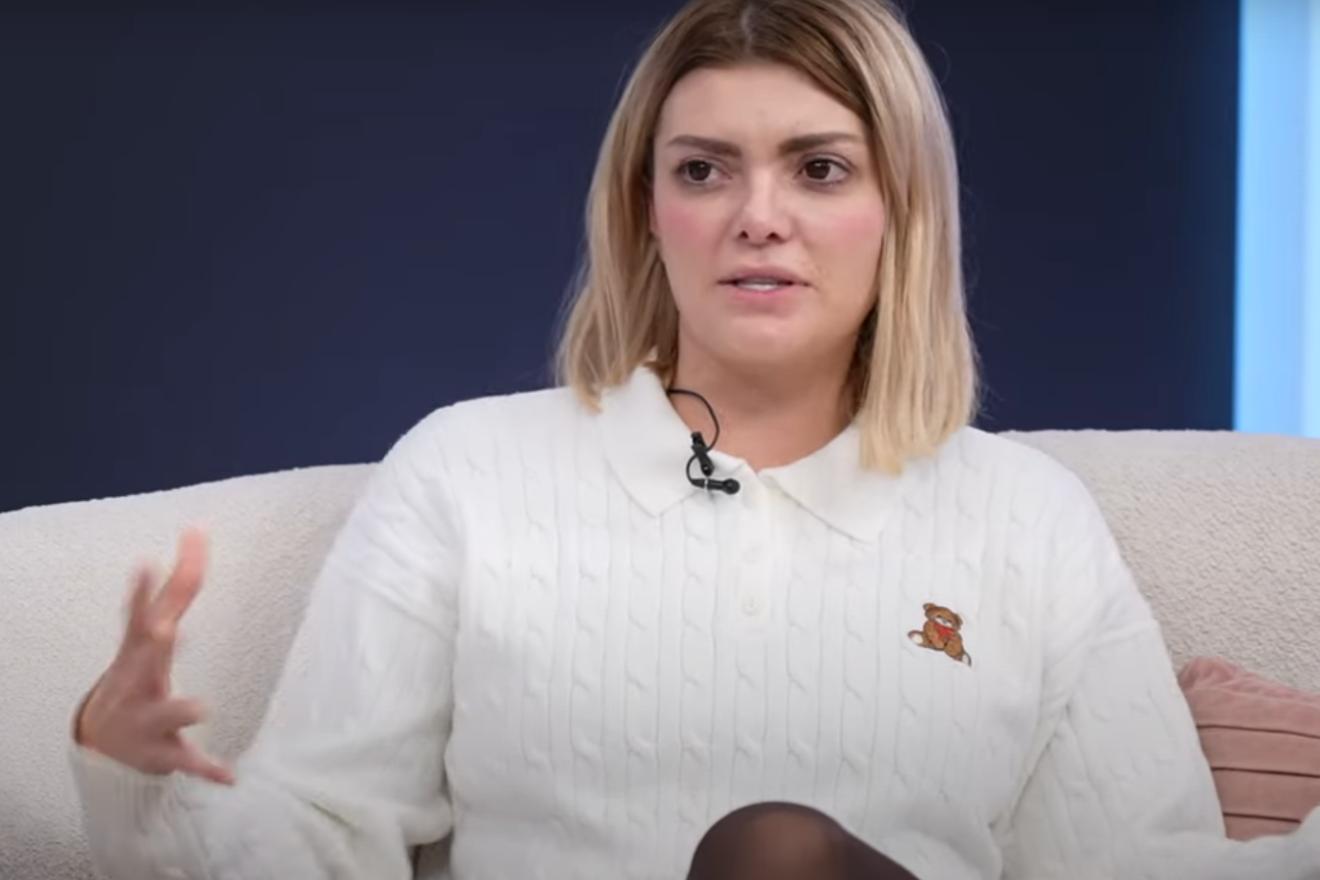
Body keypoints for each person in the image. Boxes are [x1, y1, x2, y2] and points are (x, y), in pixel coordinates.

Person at [68, 0, 1320, 877]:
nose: (757, 217)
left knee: (777, 853)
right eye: (706, 170)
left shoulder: (1027, 515)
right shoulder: (467, 472)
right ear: (646, 211)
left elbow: (1134, 866)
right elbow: (320, 838)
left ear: (903, 211)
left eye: (819, 169)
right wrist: (133, 781)